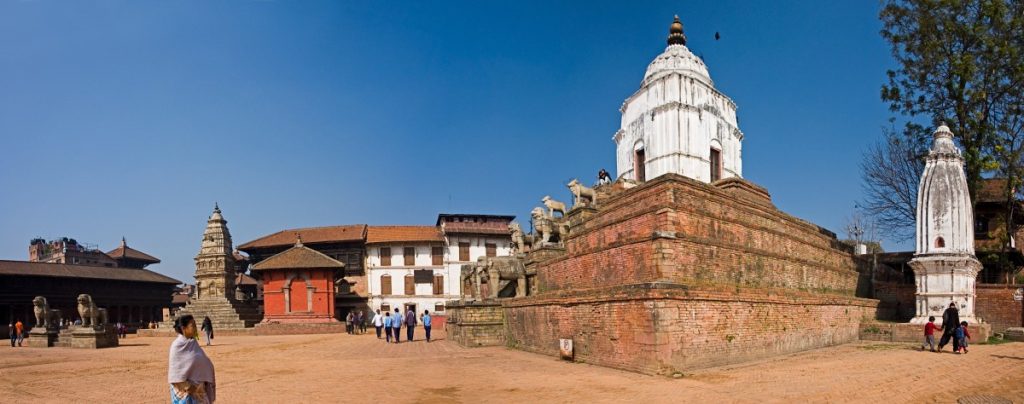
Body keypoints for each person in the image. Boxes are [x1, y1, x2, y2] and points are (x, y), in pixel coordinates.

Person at [168, 315, 216, 403]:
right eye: (192, 325)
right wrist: (190, 387)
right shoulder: (177, 346)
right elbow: (175, 374)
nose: (195, 328)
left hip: (199, 391)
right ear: (183, 328)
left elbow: (202, 361)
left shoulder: (193, 343)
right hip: (185, 392)